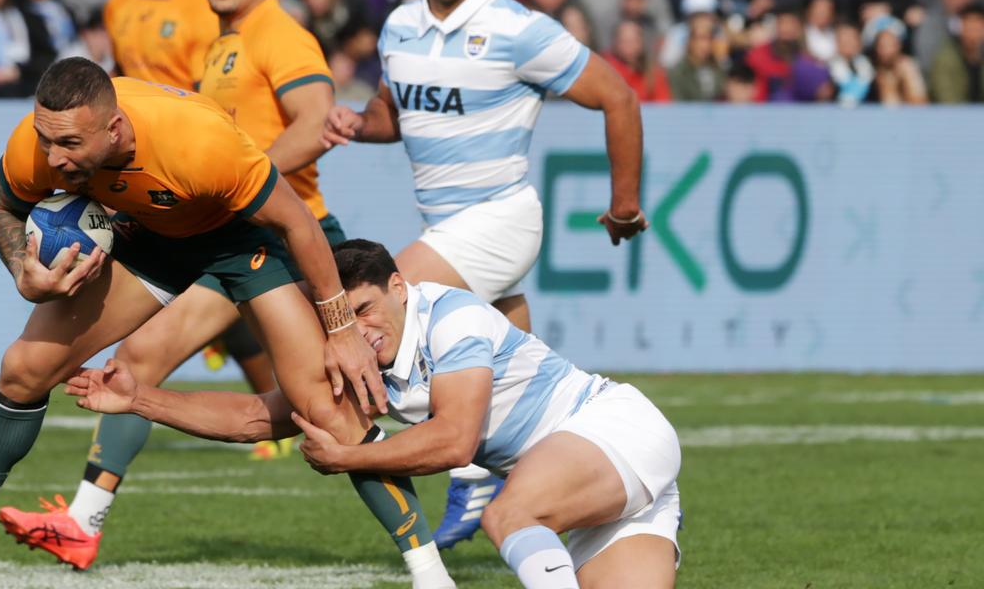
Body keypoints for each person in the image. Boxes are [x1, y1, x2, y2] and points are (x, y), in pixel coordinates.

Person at [0, 58, 454, 589]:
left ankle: (430, 574)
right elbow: (8, 206)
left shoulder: (199, 145)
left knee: (324, 410)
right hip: (153, 241)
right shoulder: (39, 143)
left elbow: (297, 222)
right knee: (24, 367)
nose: (53, 159)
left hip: (244, 244)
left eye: (70, 147)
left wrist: (342, 328)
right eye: (45, 140)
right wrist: (20, 271)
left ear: (114, 129)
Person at [0, 0, 376, 568]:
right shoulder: (222, 43)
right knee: (138, 366)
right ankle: (83, 523)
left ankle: (452, 488)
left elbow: (315, 121)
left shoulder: (277, 35)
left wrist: (238, 186)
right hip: (228, 231)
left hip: (284, 232)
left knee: (346, 403)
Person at [66, 239, 683, 589]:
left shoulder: (454, 318)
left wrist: (350, 458)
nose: (359, 330)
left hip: (613, 429)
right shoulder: (354, 357)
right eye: (344, 316)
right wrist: (140, 398)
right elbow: (256, 418)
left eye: (366, 309)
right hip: (603, 483)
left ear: (399, 287)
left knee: (510, 511)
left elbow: (457, 442)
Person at [322, 0, 647, 551]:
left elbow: (617, 96)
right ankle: (513, 469)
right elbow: (397, 113)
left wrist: (623, 203)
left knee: (379, 308)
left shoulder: (518, 29)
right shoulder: (399, 27)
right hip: (449, 223)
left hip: (501, 217)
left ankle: (464, 470)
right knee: (503, 347)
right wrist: (360, 121)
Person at [928, 2, 984, 103]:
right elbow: (947, 99)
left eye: (978, 27)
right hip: (954, 115)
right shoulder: (946, 57)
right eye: (969, 27)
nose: (973, 32)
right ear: (959, 27)